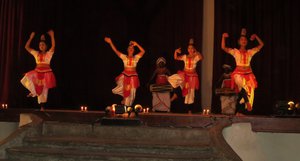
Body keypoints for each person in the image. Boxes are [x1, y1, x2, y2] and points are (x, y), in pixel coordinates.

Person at [221, 28, 264, 111]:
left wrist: (256, 36)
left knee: (251, 90)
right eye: (241, 39)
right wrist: (223, 37)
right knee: (242, 85)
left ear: (247, 42)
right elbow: (223, 47)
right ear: (239, 42)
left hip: (248, 73)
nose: (243, 41)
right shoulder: (235, 51)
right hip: (238, 73)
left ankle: (243, 108)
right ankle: (247, 102)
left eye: (245, 39)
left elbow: (261, 45)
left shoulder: (250, 52)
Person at [20, 30, 56, 110]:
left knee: (44, 91)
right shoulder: (36, 53)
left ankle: (42, 106)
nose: (41, 46)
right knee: (26, 77)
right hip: (37, 72)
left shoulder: (48, 54)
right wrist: (31, 38)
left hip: (46, 73)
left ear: (46, 46)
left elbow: (53, 46)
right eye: (40, 45)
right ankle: (33, 92)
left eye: (43, 44)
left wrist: (52, 36)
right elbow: (26, 47)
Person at [104, 37, 145, 106]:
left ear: (134, 50)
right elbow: (115, 51)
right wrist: (110, 42)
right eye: (129, 48)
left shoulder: (136, 57)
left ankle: (128, 107)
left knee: (132, 94)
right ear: (127, 50)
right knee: (126, 91)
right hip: (125, 76)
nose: (131, 49)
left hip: (133, 77)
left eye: (132, 48)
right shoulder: (124, 57)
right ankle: (125, 105)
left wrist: (136, 44)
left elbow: (143, 51)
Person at [168, 39, 203, 113]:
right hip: (184, 75)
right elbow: (176, 58)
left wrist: (196, 52)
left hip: (192, 77)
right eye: (189, 48)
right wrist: (176, 52)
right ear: (187, 49)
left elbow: (201, 57)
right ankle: (176, 93)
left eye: (191, 48)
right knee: (172, 79)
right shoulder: (185, 56)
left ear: (194, 49)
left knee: (190, 94)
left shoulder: (196, 57)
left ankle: (189, 110)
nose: (190, 50)